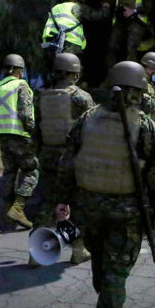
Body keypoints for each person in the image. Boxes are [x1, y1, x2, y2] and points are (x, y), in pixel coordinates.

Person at [56, 61, 155, 308]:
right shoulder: (146, 127)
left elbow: (66, 164)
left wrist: (62, 200)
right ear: (140, 92)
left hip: (88, 210)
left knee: (100, 262)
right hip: (126, 215)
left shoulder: (87, 119)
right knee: (116, 272)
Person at [32, 53, 95, 266]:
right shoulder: (81, 97)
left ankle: (35, 254)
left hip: (48, 157)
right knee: (76, 204)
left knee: (47, 203)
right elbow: (91, 129)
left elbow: (36, 130)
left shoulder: (41, 96)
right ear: (75, 73)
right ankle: (78, 251)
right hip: (72, 159)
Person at [0, 54, 38, 229]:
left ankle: (7, 215)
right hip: (20, 135)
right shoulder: (21, 85)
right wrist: (34, 132)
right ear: (18, 70)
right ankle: (18, 208)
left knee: (9, 174)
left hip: (3, 135)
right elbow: (26, 114)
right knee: (31, 171)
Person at [42, 0, 110, 58]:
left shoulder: (56, 7)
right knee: (72, 67)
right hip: (70, 45)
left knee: (54, 65)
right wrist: (106, 7)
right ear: (80, 1)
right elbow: (97, 15)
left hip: (50, 44)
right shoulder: (77, 7)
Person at [107, 0, 153, 67]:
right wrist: (107, 4)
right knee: (112, 46)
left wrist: (134, 11)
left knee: (131, 48)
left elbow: (149, 5)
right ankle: (111, 72)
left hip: (137, 19)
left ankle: (133, 72)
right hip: (120, 18)